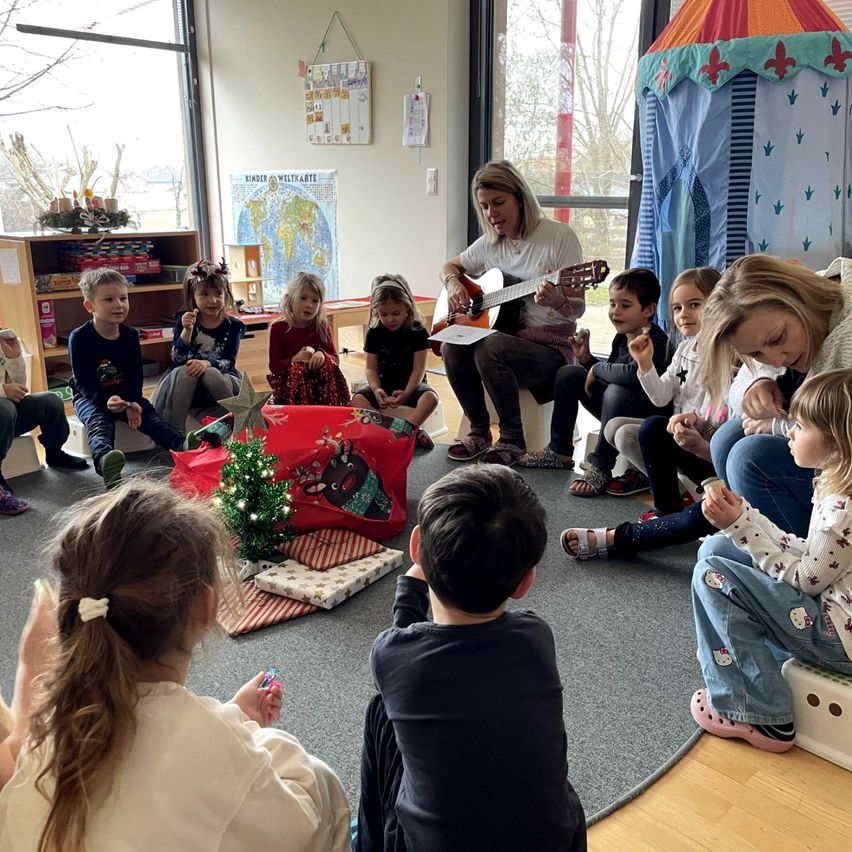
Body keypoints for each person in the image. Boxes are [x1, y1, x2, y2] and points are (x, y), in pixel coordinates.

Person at [0, 479, 351, 850]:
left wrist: (234, 720)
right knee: (320, 780)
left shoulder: (49, 729)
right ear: (204, 607)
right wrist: (257, 737)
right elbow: (299, 827)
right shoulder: (211, 740)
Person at [355, 465, 587, 852]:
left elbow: (403, 644)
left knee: (381, 712)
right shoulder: (536, 636)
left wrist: (411, 587)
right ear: (525, 582)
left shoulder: (390, 655)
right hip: (558, 843)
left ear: (416, 548)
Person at [691, 368, 852, 752]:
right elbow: (811, 555)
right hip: (834, 613)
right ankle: (757, 670)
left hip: (838, 637)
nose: (789, 432)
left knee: (713, 573)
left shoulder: (842, 508)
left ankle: (761, 714)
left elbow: (805, 578)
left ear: (834, 445)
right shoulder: (835, 483)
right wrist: (744, 519)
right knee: (715, 549)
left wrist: (743, 527)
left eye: (799, 425)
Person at [440, 159, 584, 466]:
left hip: (550, 350)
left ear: (519, 196)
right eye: (485, 206)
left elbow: (578, 308)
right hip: (505, 341)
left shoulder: (559, 237)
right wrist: (454, 283)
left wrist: (557, 299)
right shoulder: (491, 244)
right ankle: (479, 431)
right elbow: (449, 266)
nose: (492, 214)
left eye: (498, 202)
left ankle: (512, 438)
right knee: (451, 344)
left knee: (489, 346)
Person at [701, 255, 852, 541]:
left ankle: (810, 562)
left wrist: (777, 426)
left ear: (796, 297)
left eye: (778, 339)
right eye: (757, 353)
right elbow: (745, 377)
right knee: (726, 437)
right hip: (825, 450)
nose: (776, 359)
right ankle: (763, 542)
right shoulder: (800, 301)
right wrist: (756, 382)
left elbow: (844, 434)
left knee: (748, 458)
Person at [520, 268, 671, 497]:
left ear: (649, 309)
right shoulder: (622, 337)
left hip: (646, 417)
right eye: (612, 304)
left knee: (617, 391)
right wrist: (587, 359)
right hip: (616, 411)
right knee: (569, 374)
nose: (615, 312)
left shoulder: (656, 341)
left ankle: (601, 466)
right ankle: (559, 451)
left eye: (625, 305)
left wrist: (597, 367)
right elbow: (608, 374)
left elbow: (632, 375)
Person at [68, 268, 196, 486]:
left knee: (151, 418)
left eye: (123, 298)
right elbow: (83, 382)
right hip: (91, 397)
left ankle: (183, 446)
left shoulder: (129, 335)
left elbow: (135, 377)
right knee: (100, 423)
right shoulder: (79, 337)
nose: (118, 304)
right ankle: (105, 461)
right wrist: (106, 400)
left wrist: (131, 402)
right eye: (109, 299)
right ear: (90, 306)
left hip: (126, 394)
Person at [608, 266, 723, 505]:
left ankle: (676, 497)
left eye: (694, 305)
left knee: (628, 433)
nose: (683, 314)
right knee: (613, 427)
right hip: (678, 430)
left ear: (718, 304)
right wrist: (645, 364)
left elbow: (718, 411)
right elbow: (660, 398)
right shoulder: (683, 349)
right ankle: (681, 492)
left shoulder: (722, 354)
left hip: (700, 438)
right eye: (677, 308)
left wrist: (692, 419)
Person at [151, 258, 246, 430]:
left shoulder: (233, 326)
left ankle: (238, 420)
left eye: (218, 294)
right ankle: (176, 432)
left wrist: (207, 363)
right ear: (192, 297)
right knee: (186, 371)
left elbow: (229, 362)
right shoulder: (184, 319)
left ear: (226, 294)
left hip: (219, 381)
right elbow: (176, 357)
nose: (213, 300)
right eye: (204, 294)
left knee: (210, 373)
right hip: (188, 384)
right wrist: (186, 331)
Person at [0, 330, 86, 515]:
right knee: (4, 409)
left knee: (50, 401)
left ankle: (54, 453)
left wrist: (13, 357)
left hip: (6, 415)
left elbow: (19, 388)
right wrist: (3, 390)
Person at [351, 274, 439, 449]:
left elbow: (419, 368)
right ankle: (389, 431)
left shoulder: (417, 330)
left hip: (413, 386)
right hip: (383, 386)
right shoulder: (374, 333)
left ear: (407, 307)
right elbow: (370, 369)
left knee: (431, 399)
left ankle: (405, 430)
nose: (390, 319)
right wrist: (376, 389)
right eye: (384, 314)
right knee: (356, 401)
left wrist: (407, 392)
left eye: (396, 313)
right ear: (376, 311)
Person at [267, 272, 350, 406]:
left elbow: (335, 359)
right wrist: (293, 359)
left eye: (315, 301)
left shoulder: (322, 326)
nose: (309, 305)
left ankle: (332, 408)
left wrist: (322, 354)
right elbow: (274, 366)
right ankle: (299, 410)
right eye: (303, 298)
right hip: (291, 387)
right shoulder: (278, 328)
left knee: (328, 365)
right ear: (290, 300)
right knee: (297, 367)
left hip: (320, 385)